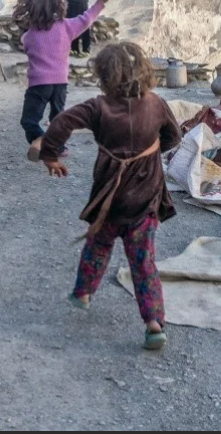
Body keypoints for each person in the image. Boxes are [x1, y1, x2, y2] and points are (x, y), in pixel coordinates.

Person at [36, 42, 183, 350]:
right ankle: (154, 323)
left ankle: (83, 293)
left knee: (98, 245)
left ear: (103, 76)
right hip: (145, 202)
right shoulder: (156, 104)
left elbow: (61, 122)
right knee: (143, 262)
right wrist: (151, 152)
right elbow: (173, 136)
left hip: (108, 201)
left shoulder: (97, 107)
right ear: (143, 71)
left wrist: (51, 156)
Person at [16, 0, 113, 159]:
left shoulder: (29, 36)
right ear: (57, 7)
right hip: (60, 83)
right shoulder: (66, 26)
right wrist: (101, 1)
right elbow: (87, 18)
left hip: (38, 84)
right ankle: (59, 148)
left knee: (29, 120)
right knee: (57, 118)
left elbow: (26, 46)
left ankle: (40, 140)